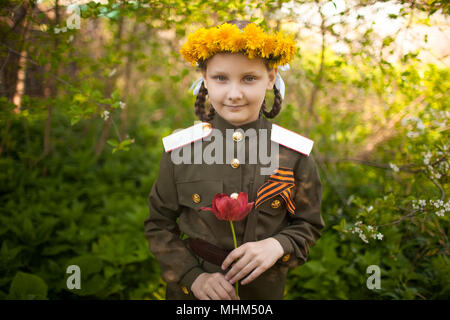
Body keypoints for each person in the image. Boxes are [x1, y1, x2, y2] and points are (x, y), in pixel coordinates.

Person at [144, 19, 325, 300]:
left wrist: (279, 245)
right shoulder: (181, 151)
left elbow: (309, 224)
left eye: (249, 78)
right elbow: (158, 225)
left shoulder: (294, 155)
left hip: (262, 293)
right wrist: (193, 277)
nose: (234, 93)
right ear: (205, 78)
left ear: (271, 77)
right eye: (221, 78)